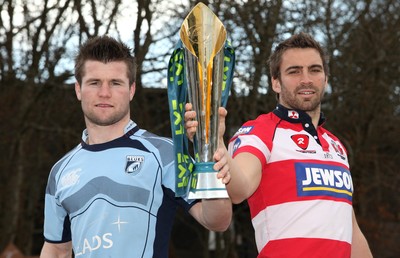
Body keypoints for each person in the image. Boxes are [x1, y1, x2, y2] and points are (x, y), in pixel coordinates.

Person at [40, 35, 232, 258]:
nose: (104, 92)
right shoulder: (60, 171)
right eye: (94, 82)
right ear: (78, 89)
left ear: (131, 90)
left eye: (115, 83)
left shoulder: (164, 154)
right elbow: (55, 249)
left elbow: (218, 220)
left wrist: (208, 159)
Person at [185, 32, 372, 257]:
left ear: (326, 79)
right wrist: (216, 143)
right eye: (294, 71)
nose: (306, 79)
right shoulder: (260, 130)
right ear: (275, 82)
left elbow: (350, 229)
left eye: (314, 69)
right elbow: (240, 188)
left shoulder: (336, 145)